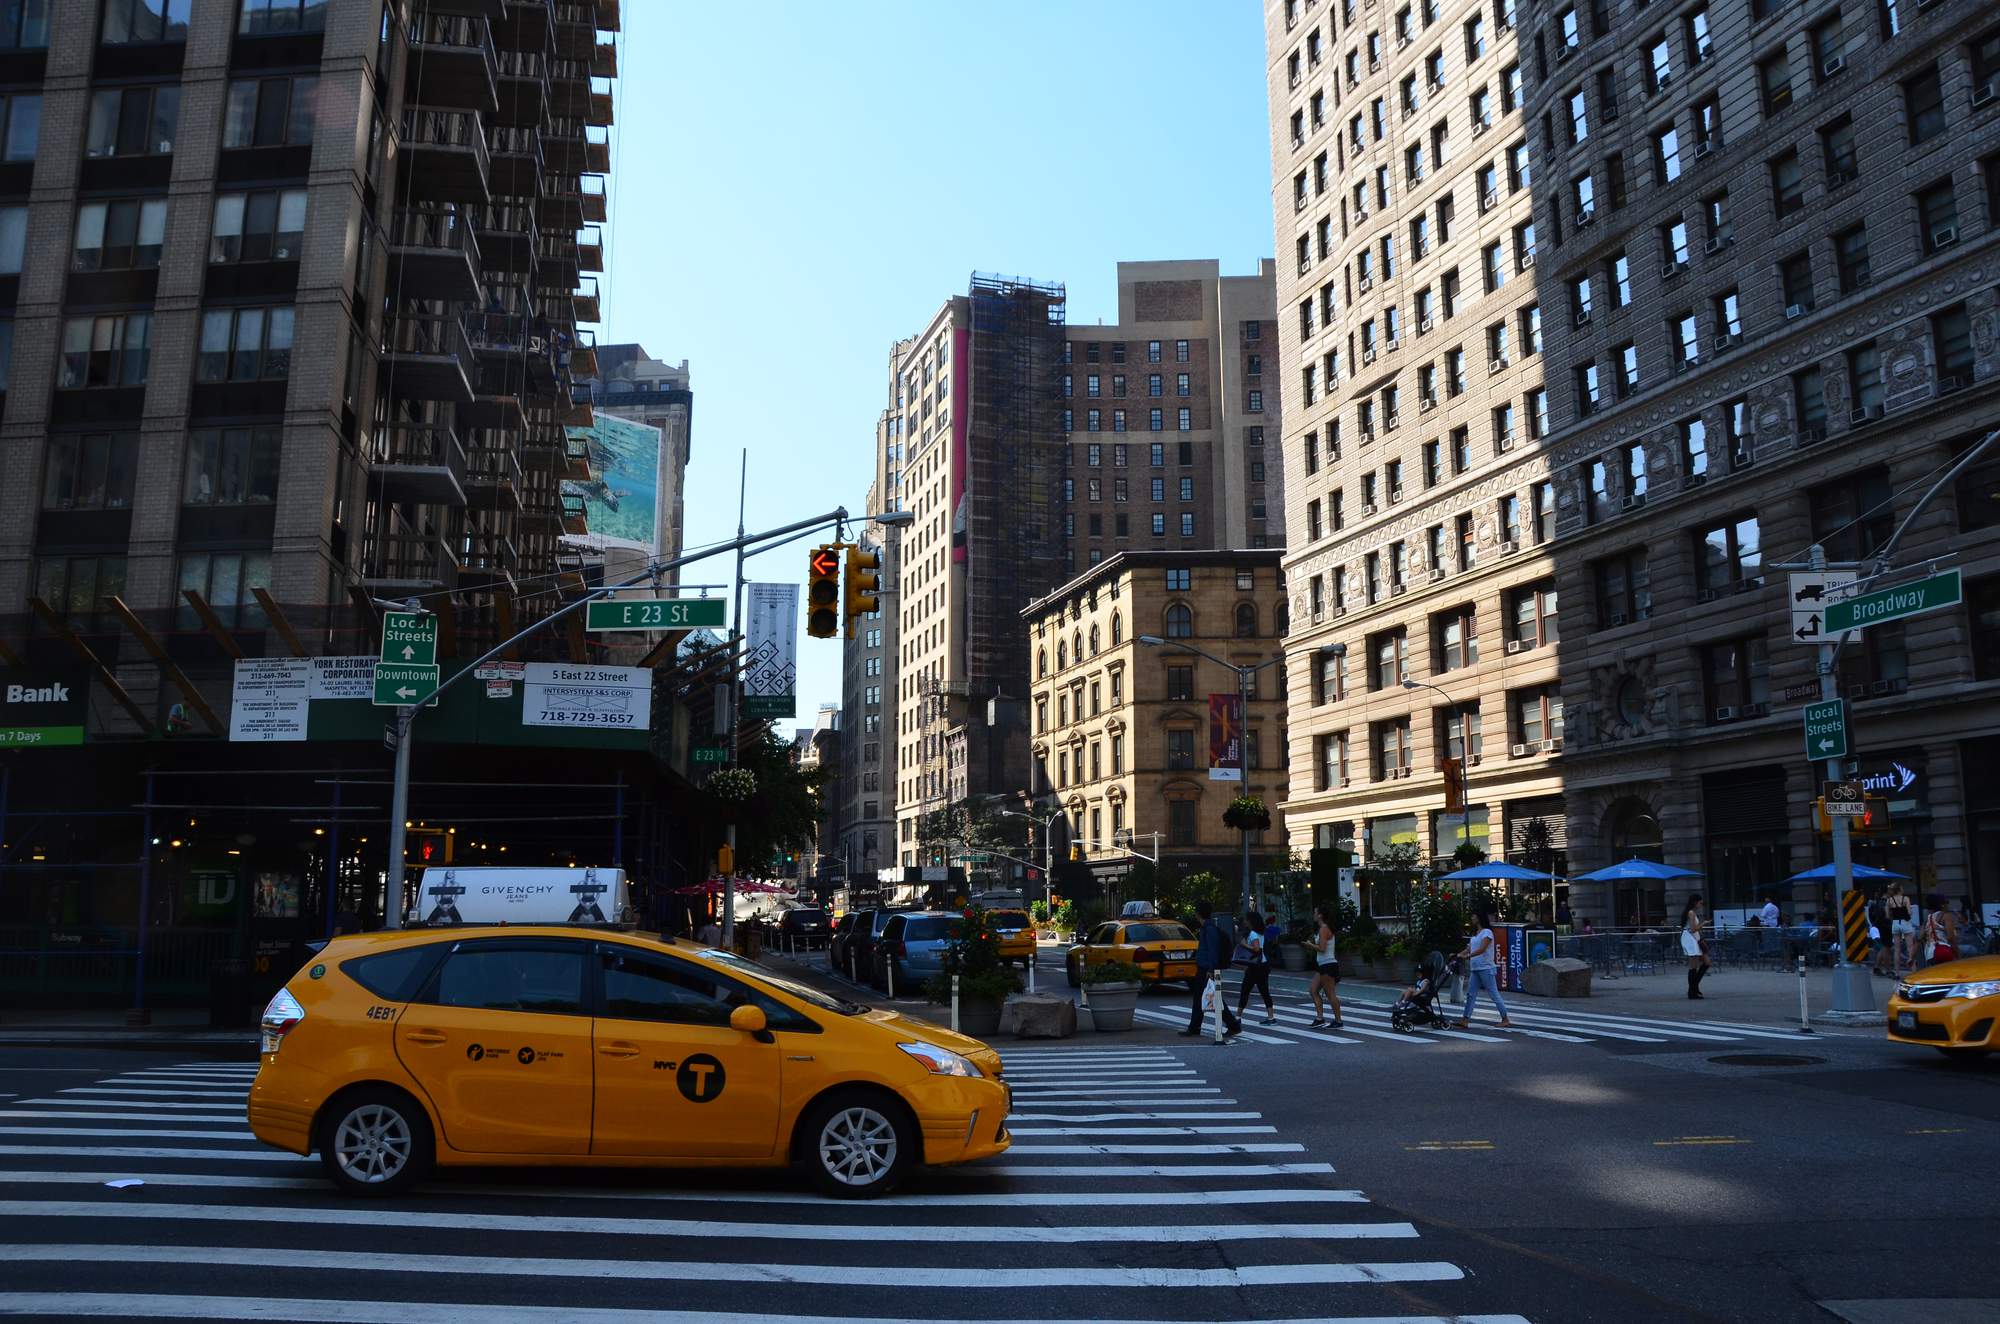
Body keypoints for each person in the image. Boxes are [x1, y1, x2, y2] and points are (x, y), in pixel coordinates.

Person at [1182, 900, 1242, 1041]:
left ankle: (1231, 1025)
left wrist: (1211, 968)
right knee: (1206, 997)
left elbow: (1213, 950)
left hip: (1207, 968)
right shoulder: (1208, 928)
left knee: (1210, 997)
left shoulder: (1209, 929)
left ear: (1198, 914)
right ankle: (1196, 1027)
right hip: (1206, 967)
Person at [1453, 907, 1513, 1029]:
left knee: (1493, 994)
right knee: (1471, 994)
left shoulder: (1487, 932)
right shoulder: (1476, 934)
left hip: (1486, 968)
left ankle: (1505, 1018)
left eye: (1473, 916)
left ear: (1479, 918)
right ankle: (1465, 1020)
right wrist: (1457, 955)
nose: (1472, 918)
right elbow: (1469, 948)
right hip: (1475, 968)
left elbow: (1482, 949)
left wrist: (1467, 956)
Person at [1234, 909, 1278, 1025]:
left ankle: (1238, 1017)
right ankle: (1271, 1017)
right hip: (1263, 964)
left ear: (1250, 921)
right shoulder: (1260, 932)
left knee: (1245, 990)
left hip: (1255, 967)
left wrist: (1244, 945)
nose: (1245, 922)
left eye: (1246, 920)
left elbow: (1257, 949)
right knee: (1264, 991)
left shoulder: (1253, 933)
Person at [1307, 906, 1344, 1029]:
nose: (1313, 914)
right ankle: (1320, 1018)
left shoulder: (1324, 929)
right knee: (1313, 990)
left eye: (1315, 912)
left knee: (1330, 994)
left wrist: (1310, 945)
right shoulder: (1323, 928)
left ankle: (1338, 1020)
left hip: (1328, 964)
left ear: (1320, 915)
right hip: (1323, 964)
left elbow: (1322, 948)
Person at [1681, 895, 1712, 999]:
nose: (1701, 905)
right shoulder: (1691, 913)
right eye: (1700, 903)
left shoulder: (1691, 912)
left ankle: (1694, 988)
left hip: (1694, 938)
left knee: (1706, 962)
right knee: (1693, 966)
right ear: (1695, 902)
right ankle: (1692, 991)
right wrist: (1703, 923)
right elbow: (1693, 929)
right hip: (1691, 938)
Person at [1886, 882, 1916, 975]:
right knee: (1910, 948)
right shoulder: (1906, 898)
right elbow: (1909, 912)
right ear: (1899, 889)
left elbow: (1887, 916)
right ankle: (1913, 971)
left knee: (1897, 949)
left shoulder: (1889, 900)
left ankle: (1897, 973)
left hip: (1895, 923)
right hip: (1905, 923)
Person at [1922, 895, 1959, 967]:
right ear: (1942, 905)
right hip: (1943, 951)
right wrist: (1958, 955)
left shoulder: (1927, 919)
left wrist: (1911, 957)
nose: (1948, 905)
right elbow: (1950, 938)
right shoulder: (1946, 916)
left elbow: (1919, 938)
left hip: (1929, 954)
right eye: (1946, 903)